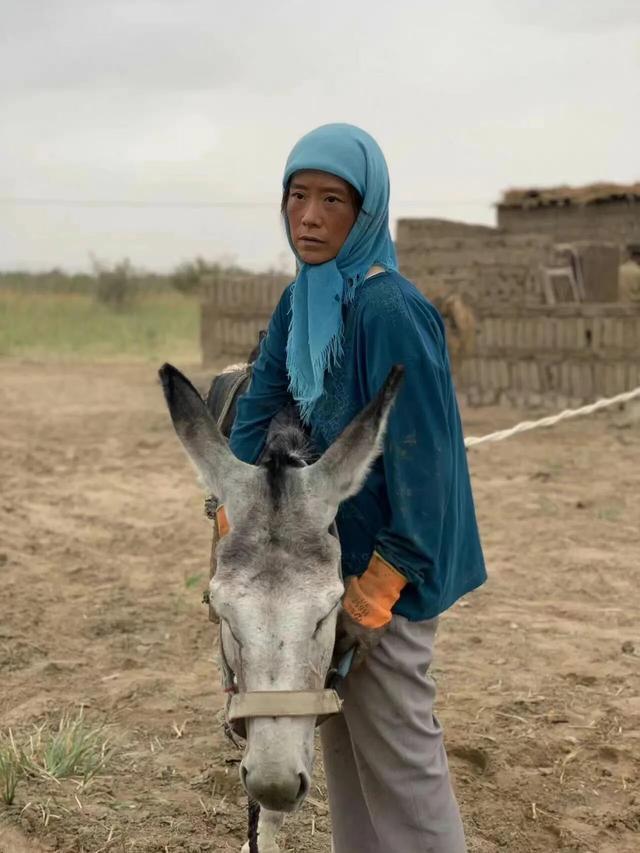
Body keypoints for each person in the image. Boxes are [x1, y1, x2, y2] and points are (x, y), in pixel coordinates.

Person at [229, 123, 486, 853]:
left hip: (394, 569)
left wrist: (380, 585)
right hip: (329, 566)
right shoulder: (301, 300)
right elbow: (258, 407)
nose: (308, 217)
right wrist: (234, 515)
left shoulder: (387, 308)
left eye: (331, 200)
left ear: (365, 211)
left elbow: (426, 462)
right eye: (297, 197)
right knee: (344, 749)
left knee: (400, 756)